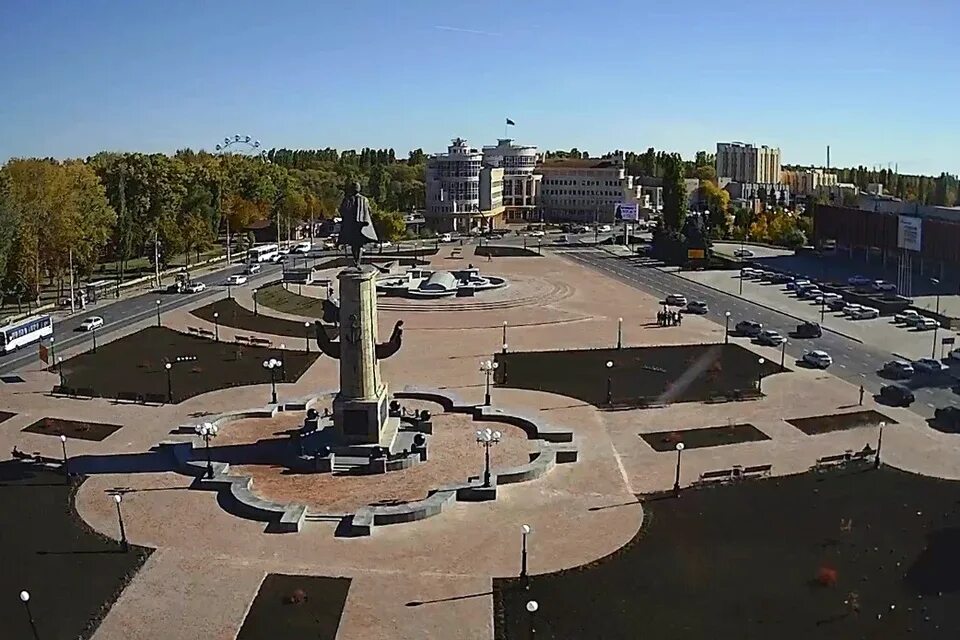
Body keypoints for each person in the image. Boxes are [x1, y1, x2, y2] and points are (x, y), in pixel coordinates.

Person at [336, 181, 379, 266]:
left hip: (352, 226)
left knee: (354, 244)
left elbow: (342, 211)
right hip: (360, 226)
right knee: (358, 245)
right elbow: (369, 211)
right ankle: (357, 261)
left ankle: (357, 261)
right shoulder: (364, 199)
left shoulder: (348, 199)